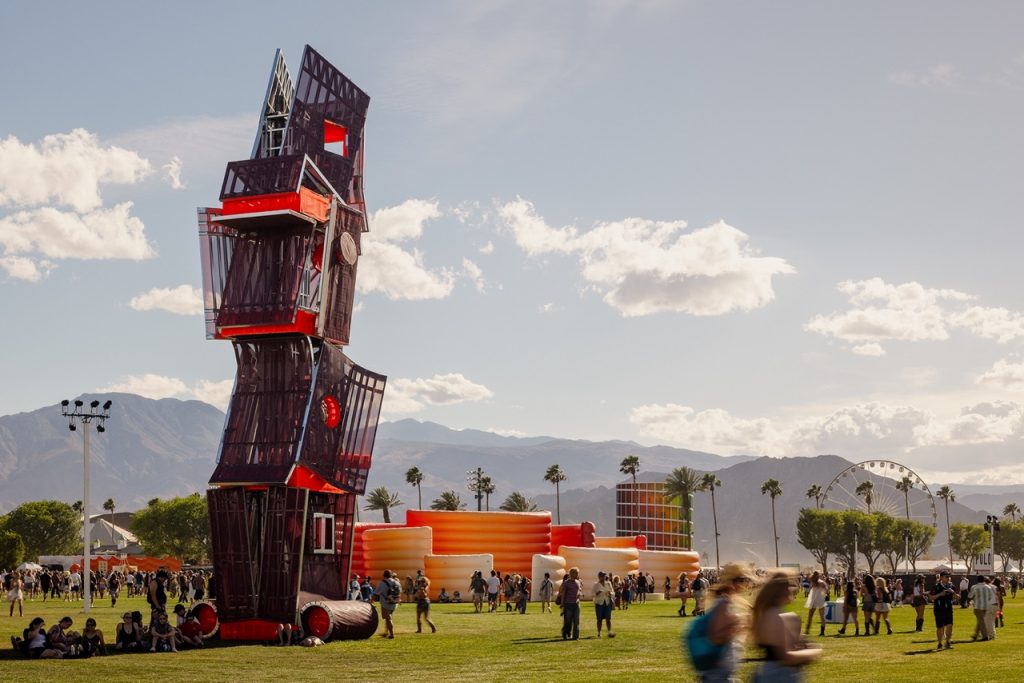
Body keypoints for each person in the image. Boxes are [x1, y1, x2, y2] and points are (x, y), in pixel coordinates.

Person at [751, 570, 821, 682]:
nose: (794, 589)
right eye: (791, 586)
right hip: (777, 676)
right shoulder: (774, 615)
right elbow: (787, 657)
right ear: (782, 591)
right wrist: (815, 652)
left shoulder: (772, 613)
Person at [695, 562, 753, 683]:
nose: (745, 583)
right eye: (742, 579)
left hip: (721, 673)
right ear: (732, 581)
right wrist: (740, 625)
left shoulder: (725, 602)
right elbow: (717, 637)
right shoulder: (723, 603)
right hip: (717, 675)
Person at [930, 571, 956, 650]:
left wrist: (953, 593)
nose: (948, 578)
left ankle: (948, 642)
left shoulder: (952, 586)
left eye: (948, 576)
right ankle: (940, 643)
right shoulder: (936, 586)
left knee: (949, 626)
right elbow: (931, 597)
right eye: (946, 576)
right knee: (940, 627)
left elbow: (958, 597)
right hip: (939, 609)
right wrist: (940, 594)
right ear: (941, 577)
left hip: (949, 609)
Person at [374, 569, 402, 639]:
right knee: (388, 618)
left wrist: (371, 601)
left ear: (384, 575)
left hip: (385, 603)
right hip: (394, 603)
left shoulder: (382, 583)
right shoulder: (397, 582)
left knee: (388, 618)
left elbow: (376, 593)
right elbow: (400, 592)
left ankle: (392, 634)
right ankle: (386, 632)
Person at [557, 566, 583, 640]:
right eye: (576, 573)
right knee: (567, 621)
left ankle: (576, 637)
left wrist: (579, 594)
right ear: (572, 574)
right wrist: (562, 604)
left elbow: (579, 591)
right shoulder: (566, 583)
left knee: (576, 621)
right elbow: (563, 594)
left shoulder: (578, 582)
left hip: (576, 604)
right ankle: (565, 634)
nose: (577, 575)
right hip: (568, 604)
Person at [969, 576, 997, 641]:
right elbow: (990, 597)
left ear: (978, 580)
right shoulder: (988, 587)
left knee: (981, 621)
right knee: (980, 621)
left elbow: (970, 596)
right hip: (986, 606)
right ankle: (975, 635)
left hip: (978, 606)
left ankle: (985, 636)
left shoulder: (974, 587)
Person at [803, 571, 828, 637]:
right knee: (822, 617)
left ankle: (807, 630)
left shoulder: (813, 581)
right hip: (820, 599)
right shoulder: (822, 582)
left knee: (810, 616)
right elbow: (826, 590)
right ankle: (822, 632)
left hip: (814, 599)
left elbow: (808, 577)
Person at [592, 571, 614, 637]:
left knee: (608, 618)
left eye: (604, 576)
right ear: (599, 577)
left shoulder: (608, 583)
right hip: (599, 603)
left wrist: (610, 593)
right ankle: (599, 633)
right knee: (599, 619)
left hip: (607, 602)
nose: (603, 577)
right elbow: (592, 594)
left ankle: (609, 632)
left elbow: (613, 592)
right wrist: (597, 593)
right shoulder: (596, 584)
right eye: (601, 576)